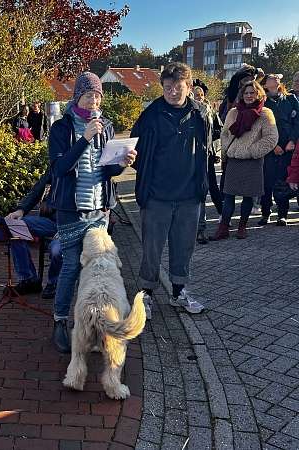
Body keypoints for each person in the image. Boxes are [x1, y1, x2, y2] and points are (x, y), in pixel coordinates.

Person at [47, 71, 136, 353]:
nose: (94, 100)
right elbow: (59, 169)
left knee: (99, 271)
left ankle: (97, 323)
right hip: (72, 211)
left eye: (98, 95)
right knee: (72, 266)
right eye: (88, 95)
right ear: (77, 97)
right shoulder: (61, 129)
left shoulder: (106, 126)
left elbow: (107, 170)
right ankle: (60, 320)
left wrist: (123, 163)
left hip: (99, 210)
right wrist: (84, 138)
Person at [131, 62, 212, 321]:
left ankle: (179, 292)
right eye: (167, 87)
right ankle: (146, 294)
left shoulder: (201, 114)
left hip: (189, 195)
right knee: (151, 249)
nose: (172, 92)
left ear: (189, 87)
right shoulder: (151, 115)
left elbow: (206, 150)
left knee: (183, 247)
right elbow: (134, 148)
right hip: (156, 196)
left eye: (178, 87)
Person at [210, 81, 278, 240]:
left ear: (258, 94)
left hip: (252, 161)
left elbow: (271, 138)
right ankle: (223, 228)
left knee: (248, 196)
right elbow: (225, 133)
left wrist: (252, 151)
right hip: (234, 160)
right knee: (228, 195)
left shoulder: (265, 113)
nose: (248, 96)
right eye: (246, 93)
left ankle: (242, 226)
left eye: (252, 93)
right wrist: (228, 150)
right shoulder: (233, 112)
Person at [5, 168, 62, 299]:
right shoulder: (58, 162)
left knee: (56, 250)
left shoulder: (88, 166)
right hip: (51, 221)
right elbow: (38, 189)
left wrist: (68, 229)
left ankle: (54, 283)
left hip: (73, 224)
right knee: (14, 226)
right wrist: (21, 210)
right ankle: (28, 279)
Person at [259, 74, 299, 226]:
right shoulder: (262, 101)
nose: (274, 78)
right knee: (266, 183)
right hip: (269, 148)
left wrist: (292, 140)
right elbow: (260, 126)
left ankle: (282, 214)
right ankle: (265, 212)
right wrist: (272, 146)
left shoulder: (290, 99)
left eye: (277, 77)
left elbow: (297, 122)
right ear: (266, 84)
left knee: (283, 182)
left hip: (287, 147)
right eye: (271, 77)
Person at [193, 81, 223, 244]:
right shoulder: (188, 111)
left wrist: (213, 149)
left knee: (209, 188)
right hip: (191, 157)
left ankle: (203, 228)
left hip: (207, 157)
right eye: (196, 95)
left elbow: (219, 131)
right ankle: (195, 228)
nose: (199, 97)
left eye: (201, 95)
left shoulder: (210, 111)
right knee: (195, 193)